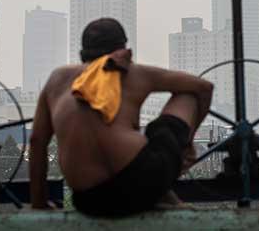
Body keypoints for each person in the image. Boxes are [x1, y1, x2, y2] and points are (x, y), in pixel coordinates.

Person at [29, 18, 213, 216]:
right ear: (122, 48)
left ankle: (164, 195)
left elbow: (37, 141)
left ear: (83, 52)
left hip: (90, 200)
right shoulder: (134, 72)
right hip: (145, 181)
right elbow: (204, 87)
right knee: (187, 95)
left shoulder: (57, 79)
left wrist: (39, 203)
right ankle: (163, 192)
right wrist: (186, 145)